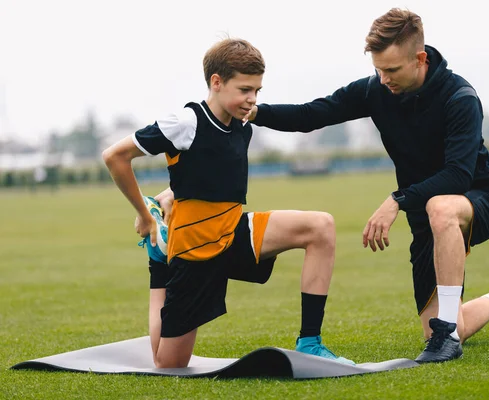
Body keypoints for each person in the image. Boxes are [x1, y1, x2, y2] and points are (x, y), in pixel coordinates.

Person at [244, 8, 489, 363]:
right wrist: (255, 112)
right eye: (378, 69)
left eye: (391, 70)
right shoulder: (376, 90)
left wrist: (397, 200)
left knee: (441, 206)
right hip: (424, 218)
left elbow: (458, 177)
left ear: (420, 59)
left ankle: (447, 338)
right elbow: (313, 113)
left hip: (475, 202)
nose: (383, 78)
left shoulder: (459, 97)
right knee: (443, 325)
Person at [102, 38, 353, 368]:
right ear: (216, 83)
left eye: (257, 91)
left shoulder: (242, 122)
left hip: (233, 230)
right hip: (194, 247)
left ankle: (309, 341)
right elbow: (115, 156)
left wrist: (171, 192)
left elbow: (206, 170)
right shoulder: (185, 122)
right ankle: (158, 259)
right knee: (169, 363)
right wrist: (145, 217)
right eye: (245, 89)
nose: (252, 99)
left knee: (320, 226)